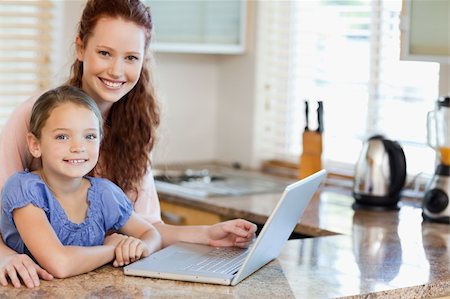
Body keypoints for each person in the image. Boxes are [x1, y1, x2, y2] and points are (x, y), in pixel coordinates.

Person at [0, 0, 256, 288]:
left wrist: (207, 235)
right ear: (81, 47)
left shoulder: (134, 129)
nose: (116, 71)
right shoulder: (35, 116)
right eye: (105, 53)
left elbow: (148, 227)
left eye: (131, 57)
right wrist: (3, 255)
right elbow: (8, 205)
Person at [1, 85, 162, 279]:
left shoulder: (104, 193)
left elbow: (151, 234)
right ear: (35, 145)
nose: (78, 147)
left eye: (90, 136)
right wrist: (111, 249)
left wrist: (140, 247)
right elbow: (60, 264)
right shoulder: (25, 190)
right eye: (62, 136)